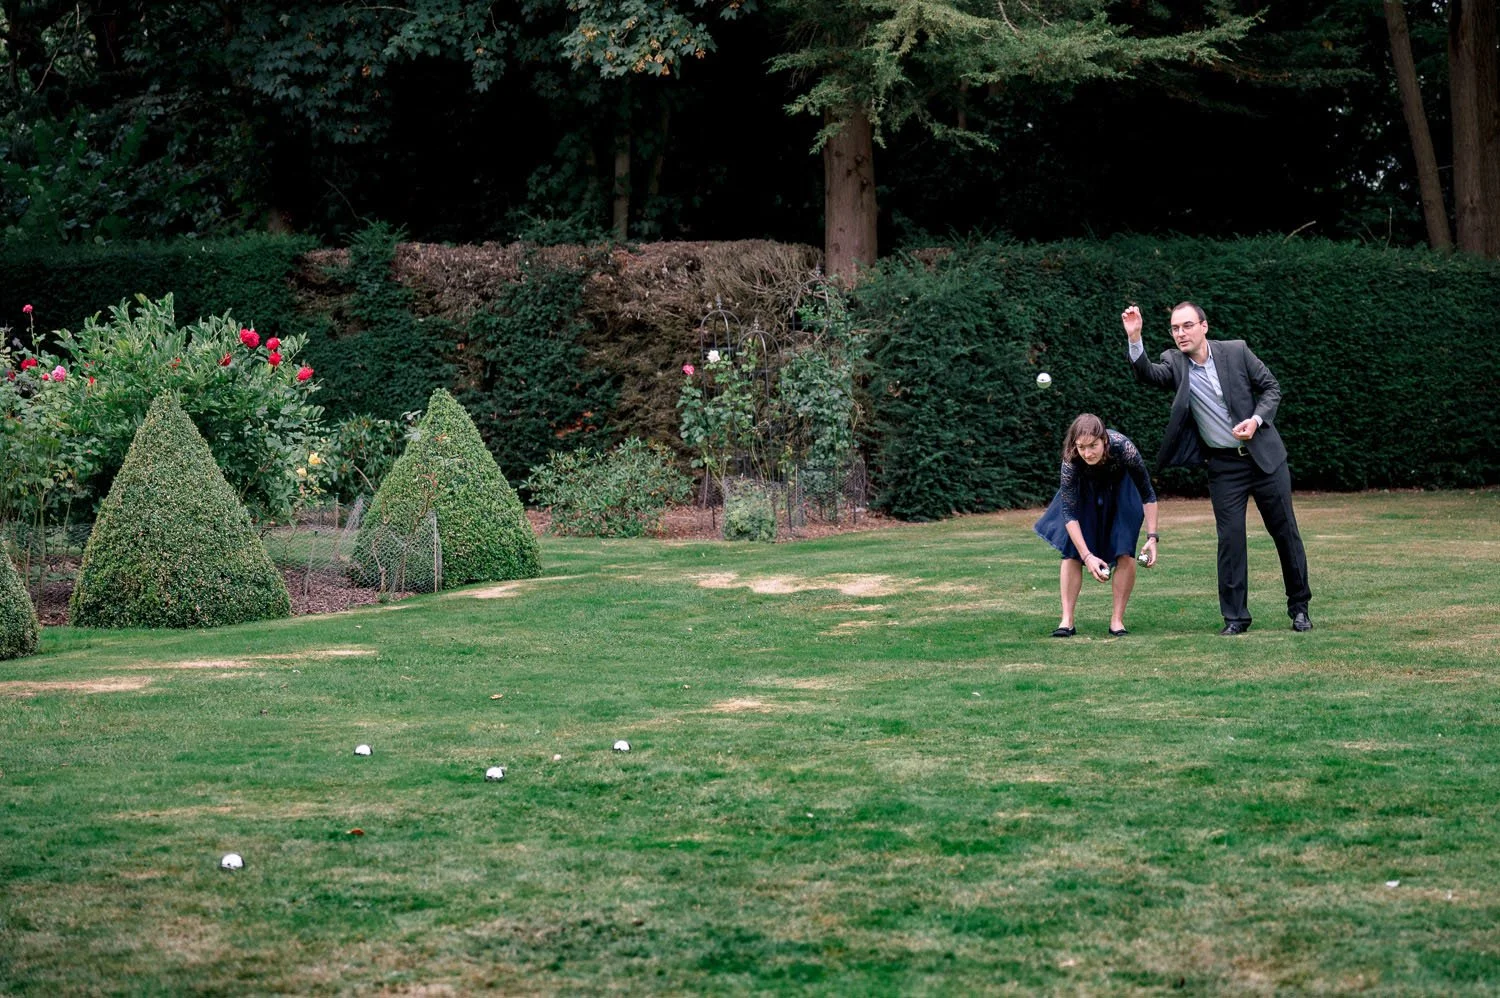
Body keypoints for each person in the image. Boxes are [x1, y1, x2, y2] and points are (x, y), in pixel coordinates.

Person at [1122, 302, 1312, 635]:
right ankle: (1235, 618)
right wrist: (1135, 337)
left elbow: (1271, 388)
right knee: (1230, 540)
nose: (1181, 333)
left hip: (1265, 459)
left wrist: (1256, 420)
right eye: (1175, 328)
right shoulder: (1175, 363)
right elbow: (1147, 374)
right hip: (1224, 467)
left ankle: (1299, 608)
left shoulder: (1236, 351)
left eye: (1187, 326)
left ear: (1204, 326)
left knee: (1285, 532)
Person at [1034, 413, 1159, 637]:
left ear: (1104, 440)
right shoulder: (1071, 459)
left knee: (1125, 548)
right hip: (1085, 492)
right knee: (1071, 552)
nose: (1088, 453)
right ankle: (1066, 621)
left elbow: (1147, 493)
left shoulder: (1123, 447)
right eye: (1082, 447)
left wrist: (1152, 537)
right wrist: (1087, 556)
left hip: (1122, 490)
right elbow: (1069, 513)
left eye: (1093, 445)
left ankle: (1117, 621)